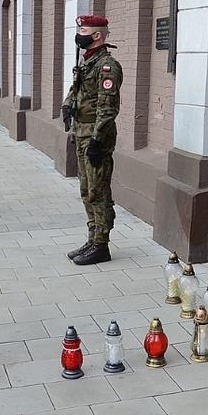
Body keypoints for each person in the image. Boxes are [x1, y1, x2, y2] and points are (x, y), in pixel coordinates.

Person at [62, 15, 123, 265]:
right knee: (86, 190)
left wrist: (97, 139)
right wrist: (67, 107)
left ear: (96, 35)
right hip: (81, 132)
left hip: (96, 137)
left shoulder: (107, 66)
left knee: (98, 190)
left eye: (84, 30)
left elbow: (108, 107)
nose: (80, 35)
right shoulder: (87, 62)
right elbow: (75, 90)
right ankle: (93, 237)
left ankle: (102, 244)